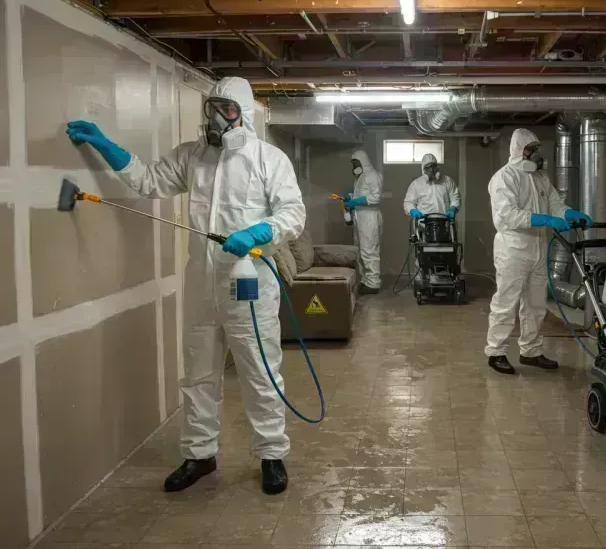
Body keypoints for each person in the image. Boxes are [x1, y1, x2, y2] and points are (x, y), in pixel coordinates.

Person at [65, 77, 305, 495]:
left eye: (226, 109)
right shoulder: (192, 157)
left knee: (259, 372)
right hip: (200, 281)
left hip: (248, 281)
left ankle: (271, 454)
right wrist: (106, 146)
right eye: (212, 108)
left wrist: (258, 231)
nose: (216, 118)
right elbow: (148, 181)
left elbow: (293, 213)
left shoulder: (269, 159)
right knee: (197, 374)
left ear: (243, 114)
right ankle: (200, 454)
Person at [485, 128, 592, 375]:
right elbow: (507, 215)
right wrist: (544, 219)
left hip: (538, 248)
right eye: (530, 149)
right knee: (506, 302)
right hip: (513, 248)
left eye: (536, 149)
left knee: (535, 304)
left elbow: (555, 203)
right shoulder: (504, 178)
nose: (535, 154)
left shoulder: (541, 178)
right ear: (519, 150)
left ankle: (530, 351)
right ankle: (496, 351)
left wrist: (567, 213)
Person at [344, 150, 384, 294]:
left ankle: (373, 283)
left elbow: (375, 197)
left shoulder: (373, 175)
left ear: (363, 162)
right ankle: (365, 280)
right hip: (360, 216)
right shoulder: (360, 177)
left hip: (369, 217)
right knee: (360, 251)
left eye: (356, 163)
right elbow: (361, 195)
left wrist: (355, 201)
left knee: (369, 250)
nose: (354, 166)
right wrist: (351, 200)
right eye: (353, 163)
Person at [403, 153, 461, 221]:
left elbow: (455, 197)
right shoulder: (416, 184)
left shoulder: (447, 181)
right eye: (428, 167)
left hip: (444, 222)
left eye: (433, 166)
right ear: (423, 169)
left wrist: (452, 209)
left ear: (437, 167)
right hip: (424, 224)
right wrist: (412, 210)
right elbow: (408, 202)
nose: (431, 170)